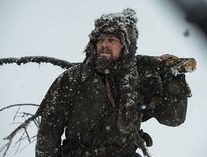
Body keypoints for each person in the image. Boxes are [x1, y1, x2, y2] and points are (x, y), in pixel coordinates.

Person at [35, 8, 192, 157]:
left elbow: (173, 118)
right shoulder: (73, 78)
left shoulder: (140, 78)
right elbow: (48, 133)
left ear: (125, 46)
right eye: (100, 40)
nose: (104, 44)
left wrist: (173, 78)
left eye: (111, 40)